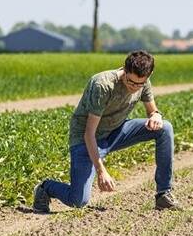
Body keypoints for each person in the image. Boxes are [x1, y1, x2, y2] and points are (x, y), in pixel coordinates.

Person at [32, 50, 180, 212]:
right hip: (86, 140)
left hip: (116, 132)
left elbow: (152, 110)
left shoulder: (143, 82)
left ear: (149, 75)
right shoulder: (102, 85)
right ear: (125, 69)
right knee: (78, 200)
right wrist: (101, 171)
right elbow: (89, 132)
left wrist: (156, 115)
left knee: (165, 127)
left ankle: (163, 194)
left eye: (140, 84)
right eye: (131, 82)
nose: (134, 87)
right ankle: (45, 187)